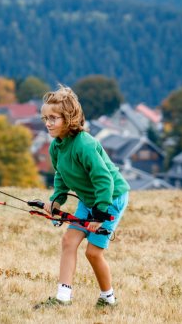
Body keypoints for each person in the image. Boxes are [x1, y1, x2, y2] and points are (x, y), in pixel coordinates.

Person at [34, 85, 130, 309]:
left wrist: (100, 214)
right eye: (45, 118)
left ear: (69, 119)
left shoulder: (85, 145)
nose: (47, 123)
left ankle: (108, 299)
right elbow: (61, 176)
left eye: (53, 118)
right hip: (89, 200)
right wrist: (56, 201)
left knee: (93, 253)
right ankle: (62, 299)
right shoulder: (56, 147)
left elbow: (104, 180)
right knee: (69, 241)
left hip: (110, 198)